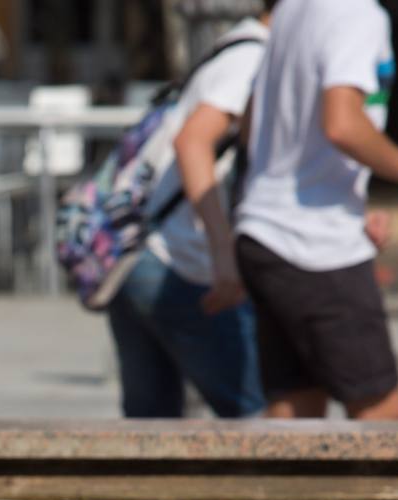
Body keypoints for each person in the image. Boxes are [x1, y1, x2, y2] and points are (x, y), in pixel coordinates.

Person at [234, 0, 398, 420]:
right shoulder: (356, 13)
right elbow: (342, 124)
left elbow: (252, 122)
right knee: (381, 413)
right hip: (315, 244)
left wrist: (346, 197)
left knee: (296, 406)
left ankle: (274, 487)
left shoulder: (292, 9)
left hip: (264, 228)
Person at [107, 2, 279, 419]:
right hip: (181, 264)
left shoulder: (234, 45)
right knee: (260, 419)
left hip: (134, 257)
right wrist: (223, 254)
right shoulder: (252, 58)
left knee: (150, 434)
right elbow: (193, 142)